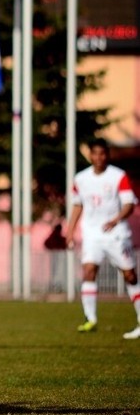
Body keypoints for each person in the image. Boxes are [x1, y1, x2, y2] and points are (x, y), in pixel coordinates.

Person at [65, 138, 139, 339]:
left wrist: (115, 219)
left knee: (130, 275)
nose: (99, 157)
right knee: (89, 270)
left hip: (116, 234)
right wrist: (70, 230)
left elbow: (129, 204)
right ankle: (90, 319)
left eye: (103, 153)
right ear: (90, 154)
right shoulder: (80, 178)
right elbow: (78, 205)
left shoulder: (118, 176)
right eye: (95, 153)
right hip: (92, 233)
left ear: (107, 155)